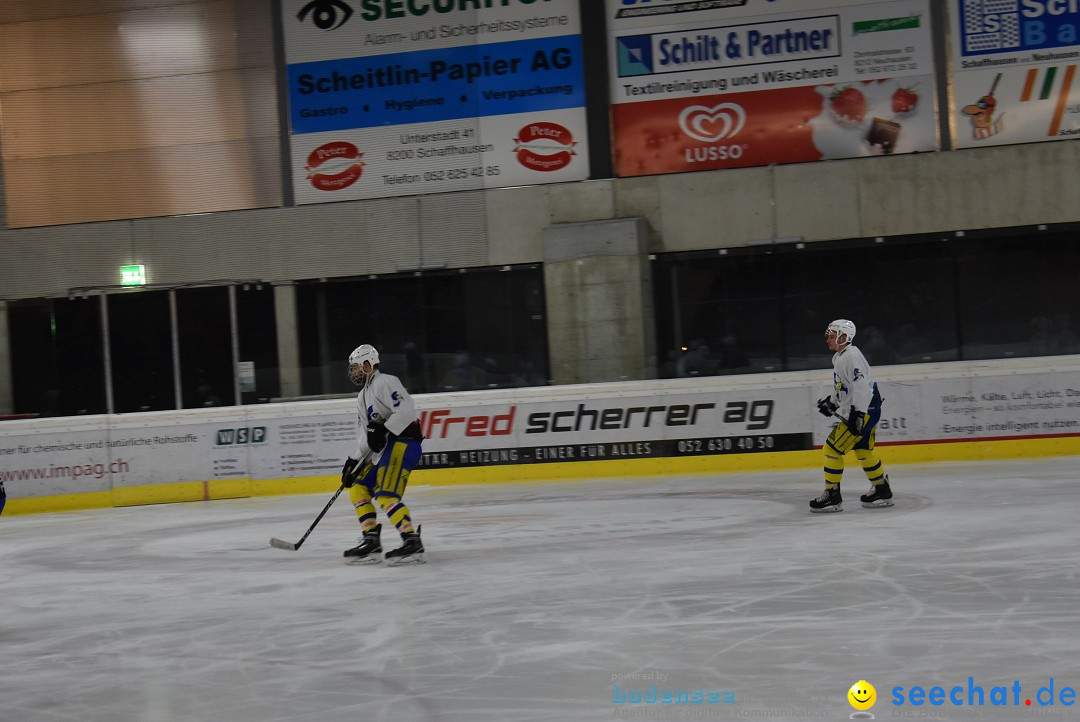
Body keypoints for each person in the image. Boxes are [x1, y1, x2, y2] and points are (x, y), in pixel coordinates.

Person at [340, 344, 426, 564]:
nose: (354, 372)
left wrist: (385, 429)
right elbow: (366, 436)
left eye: (357, 367)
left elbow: (406, 410)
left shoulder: (385, 382)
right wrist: (354, 461)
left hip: (403, 442)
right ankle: (371, 540)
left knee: (386, 494)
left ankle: (411, 539)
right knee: (358, 487)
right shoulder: (362, 396)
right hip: (387, 447)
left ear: (368, 365)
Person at [810, 319, 893, 512]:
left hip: (864, 410)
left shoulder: (850, 357)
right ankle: (881, 488)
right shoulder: (841, 356)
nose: (828, 340)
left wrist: (858, 414)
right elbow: (845, 389)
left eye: (832, 337)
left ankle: (832, 495)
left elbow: (862, 388)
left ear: (844, 337)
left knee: (831, 450)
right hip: (869, 409)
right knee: (864, 451)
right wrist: (833, 402)